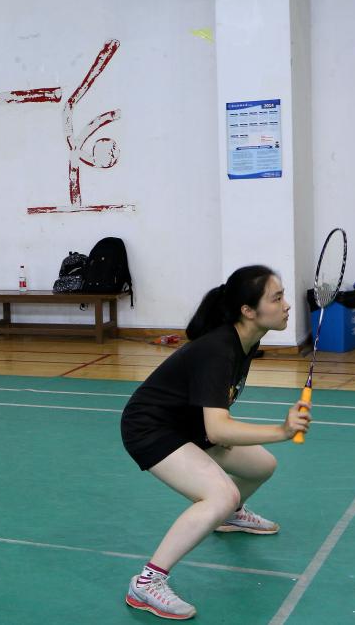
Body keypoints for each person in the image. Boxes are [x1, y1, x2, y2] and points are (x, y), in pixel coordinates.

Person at [120, 265, 311, 619]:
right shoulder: (218, 350)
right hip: (151, 428)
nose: (286, 305)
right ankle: (147, 583)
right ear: (248, 310)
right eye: (277, 298)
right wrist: (281, 431)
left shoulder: (247, 342)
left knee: (262, 466)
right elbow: (220, 429)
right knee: (221, 495)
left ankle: (231, 518)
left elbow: (216, 416)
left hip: (191, 425)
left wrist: (221, 435)